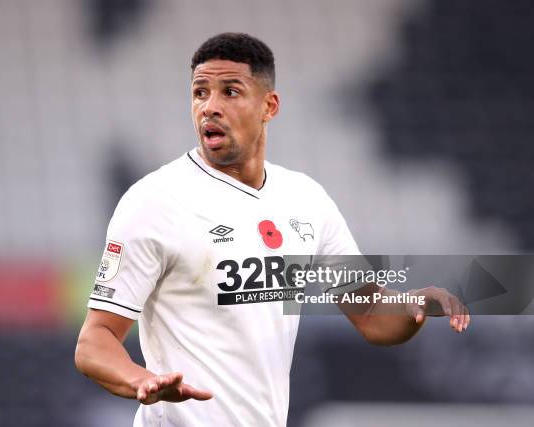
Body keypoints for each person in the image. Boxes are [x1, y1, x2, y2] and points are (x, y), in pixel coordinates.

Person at [74, 32, 470, 427]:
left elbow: (370, 313)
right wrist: (142, 380)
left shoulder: (305, 199)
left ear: (269, 105)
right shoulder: (154, 202)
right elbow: (95, 341)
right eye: (200, 93)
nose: (210, 107)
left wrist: (415, 305)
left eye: (230, 92)